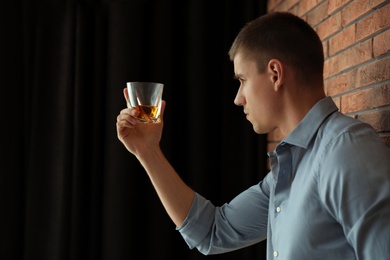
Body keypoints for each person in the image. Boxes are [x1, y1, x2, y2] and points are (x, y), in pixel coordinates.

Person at [116, 11, 390, 259]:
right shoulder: (290, 168)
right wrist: (148, 151)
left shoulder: (346, 150)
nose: (238, 99)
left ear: (274, 73)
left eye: (242, 81)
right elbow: (213, 232)